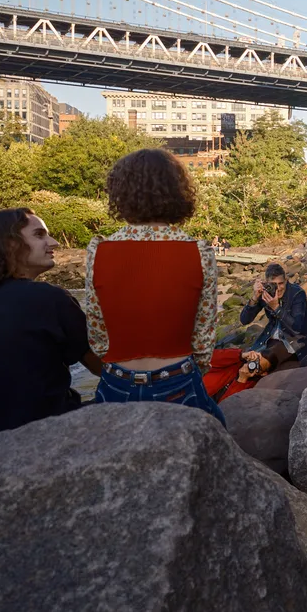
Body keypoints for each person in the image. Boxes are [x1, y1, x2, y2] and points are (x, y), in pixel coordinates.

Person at [85, 149, 223, 422]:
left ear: (120, 194)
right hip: (176, 379)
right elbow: (204, 333)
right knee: (217, 442)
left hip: (117, 381)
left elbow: (97, 333)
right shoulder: (198, 251)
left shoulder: (98, 250)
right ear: (177, 193)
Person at [0, 208, 101, 441]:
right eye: (40, 235)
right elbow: (104, 368)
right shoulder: (49, 299)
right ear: (11, 244)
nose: (54, 242)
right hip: (45, 437)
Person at [239, 262, 307, 362]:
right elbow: (244, 320)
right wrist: (255, 297)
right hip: (272, 335)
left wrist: (276, 308)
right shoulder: (266, 292)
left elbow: (297, 328)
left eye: (281, 283)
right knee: (246, 359)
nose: (278, 288)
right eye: (273, 285)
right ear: (266, 283)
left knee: (261, 361)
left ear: (286, 280)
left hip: (294, 341)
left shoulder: (297, 294)